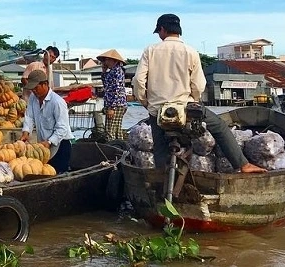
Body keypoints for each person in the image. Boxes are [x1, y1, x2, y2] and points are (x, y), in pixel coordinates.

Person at [133, 13, 266, 173]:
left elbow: (138, 81)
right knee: (220, 128)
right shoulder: (190, 51)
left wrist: (147, 103)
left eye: (159, 31)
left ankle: (161, 178)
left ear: (162, 29)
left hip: (158, 110)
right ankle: (243, 165)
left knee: (160, 147)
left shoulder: (150, 50)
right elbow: (199, 84)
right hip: (186, 108)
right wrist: (193, 100)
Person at [20, 70, 75, 174]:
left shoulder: (57, 102)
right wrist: (26, 132)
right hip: (44, 146)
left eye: (36, 88)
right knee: (45, 174)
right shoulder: (33, 98)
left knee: (58, 175)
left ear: (45, 84)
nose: (34, 91)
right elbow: (29, 117)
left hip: (60, 145)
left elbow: (62, 128)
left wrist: (49, 142)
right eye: (32, 89)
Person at [97, 49, 128, 140]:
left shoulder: (117, 71)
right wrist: (104, 71)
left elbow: (116, 90)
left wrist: (112, 108)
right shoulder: (112, 71)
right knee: (115, 130)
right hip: (114, 104)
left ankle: (113, 147)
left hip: (116, 105)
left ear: (114, 61)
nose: (106, 62)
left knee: (110, 130)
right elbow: (106, 84)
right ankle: (118, 146)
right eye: (105, 60)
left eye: (107, 60)